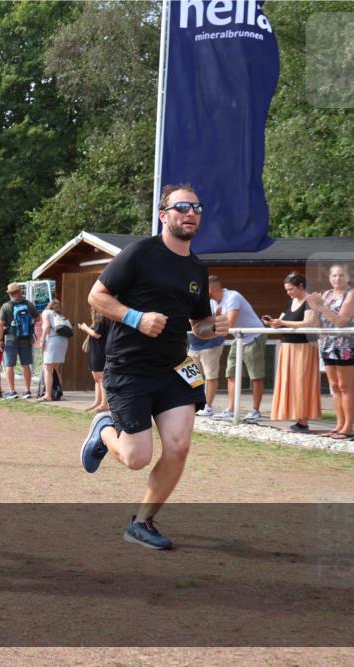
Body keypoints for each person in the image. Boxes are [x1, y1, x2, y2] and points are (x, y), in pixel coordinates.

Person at [81, 184, 226, 550]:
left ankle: (142, 522)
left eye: (196, 207)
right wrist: (136, 318)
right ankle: (103, 431)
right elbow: (96, 296)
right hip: (129, 367)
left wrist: (215, 327)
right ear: (164, 215)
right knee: (136, 458)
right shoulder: (140, 253)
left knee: (178, 447)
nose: (190, 213)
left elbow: (199, 325)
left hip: (175, 367)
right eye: (181, 207)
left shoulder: (196, 266)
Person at [307, 264, 354, 440]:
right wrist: (314, 308)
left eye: (341, 275)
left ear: (348, 277)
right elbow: (316, 321)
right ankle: (339, 425)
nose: (337, 279)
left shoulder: (352, 294)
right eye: (334, 276)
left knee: (345, 386)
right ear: (329, 278)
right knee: (335, 387)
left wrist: (321, 306)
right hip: (327, 343)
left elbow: (341, 321)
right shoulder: (326, 295)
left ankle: (348, 428)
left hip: (347, 344)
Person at [266, 273, 321, 433]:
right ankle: (297, 418)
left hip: (303, 348)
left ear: (301, 286)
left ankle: (303, 421)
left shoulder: (310, 301)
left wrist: (281, 322)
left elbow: (308, 322)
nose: (288, 292)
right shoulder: (289, 302)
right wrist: (273, 323)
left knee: (301, 383)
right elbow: (282, 322)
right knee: (289, 383)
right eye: (287, 289)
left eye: (290, 289)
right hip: (288, 347)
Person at [208, 276, 267, 423]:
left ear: (209, 289)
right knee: (231, 373)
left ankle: (255, 411)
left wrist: (209, 328)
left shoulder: (233, 296)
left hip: (254, 336)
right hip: (238, 337)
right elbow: (209, 321)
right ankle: (231, 410)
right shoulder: (213, 302)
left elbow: (229, 323)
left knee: (256, 375)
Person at [187, 291, 226, 416]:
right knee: (191, 377)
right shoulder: (185, 302)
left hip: (210, 345)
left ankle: (207, 407)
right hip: (193, 346)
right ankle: (193, 403)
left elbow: (216, 320)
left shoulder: (210, 303)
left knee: (210, 376)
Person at [0, 282, 38, 399]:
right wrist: (29, 326)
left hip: (11, 338)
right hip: (26, 338)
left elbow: (0, 325)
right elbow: (38, 318)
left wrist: (0, 340)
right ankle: (28, 391)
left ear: (10, 294)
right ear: (20, 292)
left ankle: (12, 391)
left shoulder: (6, 306)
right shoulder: (29, 305)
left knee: (10, 365)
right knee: (26, 364)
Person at [78, 307, 109, 412]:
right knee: (96, 378)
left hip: (100, 352)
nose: (91, 309)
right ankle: (97, 402)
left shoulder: (101, 319)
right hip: (95, 351)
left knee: (101, 378)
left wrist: (85, 328)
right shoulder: (97, 320)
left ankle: (104, 403)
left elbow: (97, 334)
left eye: (92, 307)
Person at [38, 298, 69, 402]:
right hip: (63, 341)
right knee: (56, 369)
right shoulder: (60, 315)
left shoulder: (46, 312)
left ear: (48, 305)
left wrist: (42, 339)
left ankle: (47, 394)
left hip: (52, 341)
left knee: (47, 368)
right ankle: (58, 393)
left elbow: (47, 326)